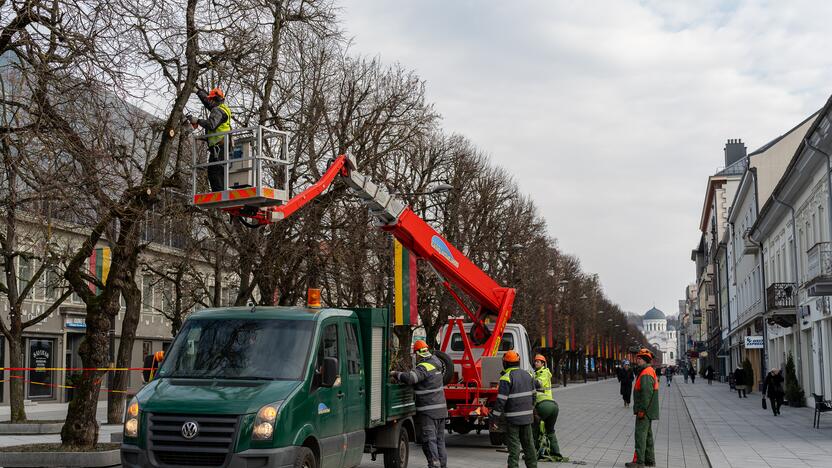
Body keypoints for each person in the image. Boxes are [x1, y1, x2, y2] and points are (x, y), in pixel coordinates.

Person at [390, 340, 448, 468]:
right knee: (439, 441)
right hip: (441, 410)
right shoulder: (436, 362)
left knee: (429, 440)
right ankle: (442, 465)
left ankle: (434, 465)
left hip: (429, 412)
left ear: (418, 353)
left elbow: (411, 378)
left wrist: (396, 374)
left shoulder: (424, 366)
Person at [492, 350, 537, 468]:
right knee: (529, 446)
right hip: (527, 418)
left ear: (505, 363)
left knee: (514, 447)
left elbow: (501, 401)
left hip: (513, 420)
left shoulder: (506, 378)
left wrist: (495, 419)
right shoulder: (528, 375)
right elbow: (534, 396)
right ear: (518, 362)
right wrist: (530, 410)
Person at [190, 87, 232, 192]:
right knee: (217, 171)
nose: (210, 101)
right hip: (222, 145)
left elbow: (211, 125)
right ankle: (221, 193)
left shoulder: (217, 111)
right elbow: (207, 103)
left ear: (215, 99)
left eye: (212, 99)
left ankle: (219, 195)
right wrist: (198, 92)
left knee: (214, 172)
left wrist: (197, 120)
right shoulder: (222, 108)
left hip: (220, 146)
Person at [626, 349, 659, 468]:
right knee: (648, 436)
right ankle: (650, 460)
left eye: (639, 358)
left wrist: (642, 410)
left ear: (645, 360)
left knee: (640, 435)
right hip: (649, 411)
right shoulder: (648, 371)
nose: (637, 360)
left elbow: (646, 393)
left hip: (644, 411)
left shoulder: (646, 373)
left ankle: (639, 462)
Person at [532, 354, 563, 461]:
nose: (536, 363)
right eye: (535, 361)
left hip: (543, 405)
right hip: (553, 406)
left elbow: (537, 383)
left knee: (534, 429)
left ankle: (533, 453)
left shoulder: (544, 372)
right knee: (550, 431)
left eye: (538, 361)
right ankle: (556, 454)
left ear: (543, 364)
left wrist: (526, 379)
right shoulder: (537, 373)